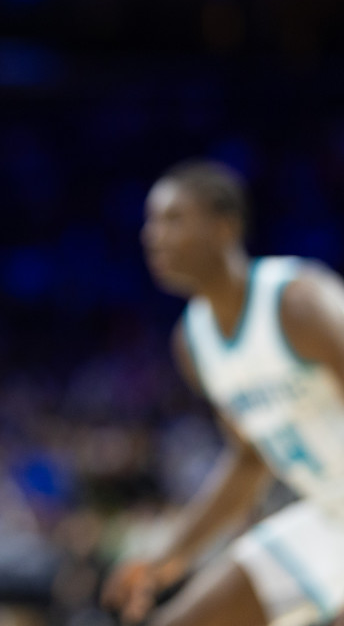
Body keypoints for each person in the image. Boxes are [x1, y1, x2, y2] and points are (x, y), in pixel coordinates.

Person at [102, 160, 344, 626]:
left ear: (224, 227)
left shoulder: (298, 301)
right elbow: (250, 461)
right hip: (331, 514)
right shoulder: (194, 342)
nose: (153, 236)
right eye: (151, 222)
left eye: (173, 219)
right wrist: (164, 558)